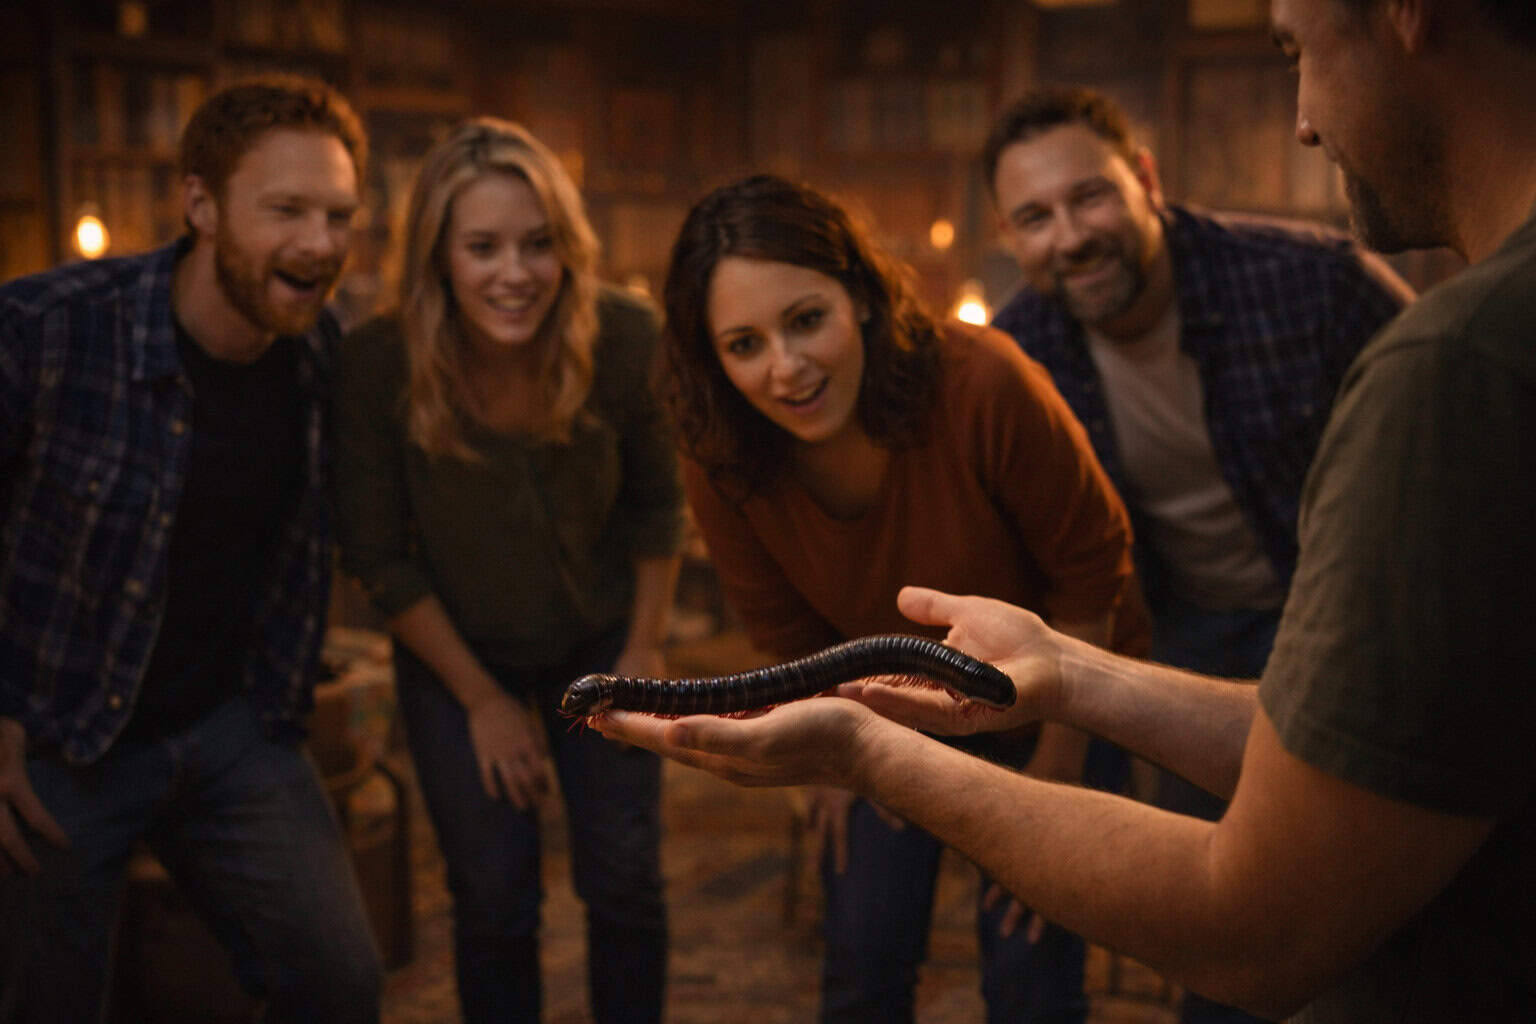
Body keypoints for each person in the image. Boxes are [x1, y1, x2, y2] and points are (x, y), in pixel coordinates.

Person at [597, 0, 1536, 1020]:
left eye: (1296, 50)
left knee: (1139, 954)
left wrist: (915, 745)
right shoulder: (1031, 330)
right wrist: (1064, 677)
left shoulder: (1395, 334)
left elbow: (1252, 921)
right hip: (1137, 644)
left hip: (1281, 615)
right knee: (877, 946)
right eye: (1032, 219)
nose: (1302, 119)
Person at [660, 173, 1147, 1023]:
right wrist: (827, 763)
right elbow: (785, 632)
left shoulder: (982, 382)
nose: (786, 369)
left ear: (859, 296)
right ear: (711, 357)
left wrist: (1057, 781)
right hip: (879, 712)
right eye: (743, 345)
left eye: (806, 320)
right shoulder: (721, 456)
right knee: (862, 961)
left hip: (1059, 699)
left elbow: (1089, 579)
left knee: (1030, 980)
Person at [982, 85, 1414, 1024]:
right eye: (1034, 217)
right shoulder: (1021, 349)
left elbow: (1447, 448)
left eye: (1088, 197)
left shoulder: (1313, 283)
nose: (1069, 236)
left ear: (1145, 179)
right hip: (1174, 631)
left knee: (1355, 900)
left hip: (1335, 619)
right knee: (1216, 910)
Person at [0, 77, 382, 1021]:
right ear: (200, 204)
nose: (321, 244)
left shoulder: (324, 356)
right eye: (286, 210)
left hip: (231, 729)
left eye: (338, 215)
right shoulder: (48, 330)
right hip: (62, 735)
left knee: (343, 987)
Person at [331, 116, 683, 1024]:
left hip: (602, 635)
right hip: (455, 646)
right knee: (492, 898)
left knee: (626, 881)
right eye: (483, 247)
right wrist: (482, 699)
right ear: (438, 255)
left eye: (538, 245)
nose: (515, 274)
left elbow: (657, 508)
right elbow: (378, 555)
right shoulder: (376, 362)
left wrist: (643, 648)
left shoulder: (626, 335)